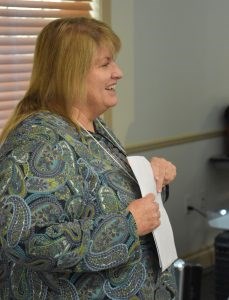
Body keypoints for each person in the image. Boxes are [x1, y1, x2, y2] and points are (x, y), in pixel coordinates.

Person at [0, 17, 177, 299]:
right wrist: (127, 226)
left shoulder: (93, 128)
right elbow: (25, 239)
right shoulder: (39, 142)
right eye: (105, 64)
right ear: (70, 72)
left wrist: (149, 175)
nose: (118, 72)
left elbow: (106, 200)